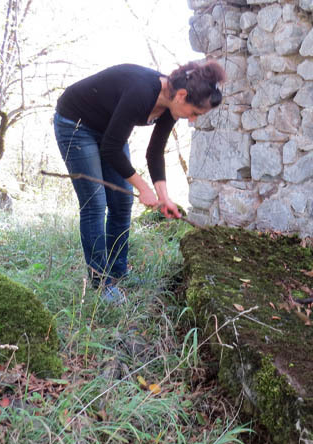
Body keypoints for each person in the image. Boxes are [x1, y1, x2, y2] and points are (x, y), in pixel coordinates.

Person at [53, 61, 225, 303]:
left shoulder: (172, 104)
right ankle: (101, 283)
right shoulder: (141, 92)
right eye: (195, 112)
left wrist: (164, 197)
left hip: (109, 131)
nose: (193, 120)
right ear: (182, 95)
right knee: (95, 203)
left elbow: (154, 152)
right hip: (76, 124)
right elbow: (112, 150)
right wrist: (143, 188)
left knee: (122, 202)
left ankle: (118, 272)